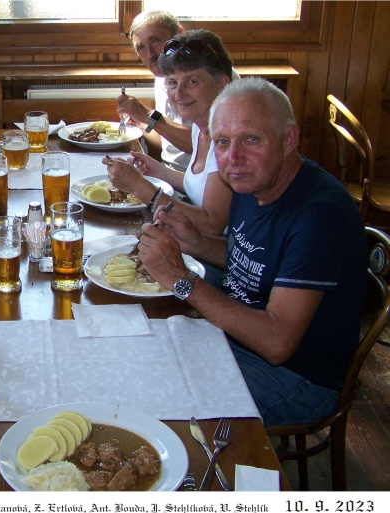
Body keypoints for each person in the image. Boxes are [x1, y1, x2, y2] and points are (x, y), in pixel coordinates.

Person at [136, 77, 366, 426]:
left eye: (252, 139)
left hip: (298, 378)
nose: (234, 158)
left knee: (157, 395)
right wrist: (194, 243)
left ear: (289, 140)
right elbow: (253, 258)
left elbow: (277, 342)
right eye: (223, 143)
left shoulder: (320, 216)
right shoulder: (251, 181)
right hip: (241, 338)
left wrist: (182, 281)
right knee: (140, 344)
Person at [105, 29, 234, 237]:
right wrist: (160, 172)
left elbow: (212, 225)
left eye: (192, 81)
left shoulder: (229, 139)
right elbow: (200, 187)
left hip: (223, 257)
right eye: (173, 82)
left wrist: (141, 187)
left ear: (221, 85)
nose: (179, 93)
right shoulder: (201, 126)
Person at [119, 10, 191, 171]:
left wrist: (148, 115)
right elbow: (169, 142)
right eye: (141, 47)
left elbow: (203, 145)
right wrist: (140, 123)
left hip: (196, 185)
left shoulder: (205, 78)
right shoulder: (161, 77)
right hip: (168, 175)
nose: (150, 54)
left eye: (156, 41)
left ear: (180, 34)